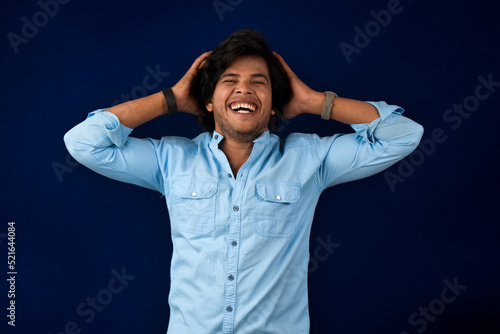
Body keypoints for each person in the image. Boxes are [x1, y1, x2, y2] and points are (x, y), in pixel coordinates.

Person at [64, 29, 423, 333]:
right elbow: (83, 142)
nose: (244, 90)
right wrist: (170, 100)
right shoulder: (169, 160)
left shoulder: (310, 159)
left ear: (273, 102)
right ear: (207, 100)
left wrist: (315, 102)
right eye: (229, 81)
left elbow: (402, 134)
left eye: (258, 83)